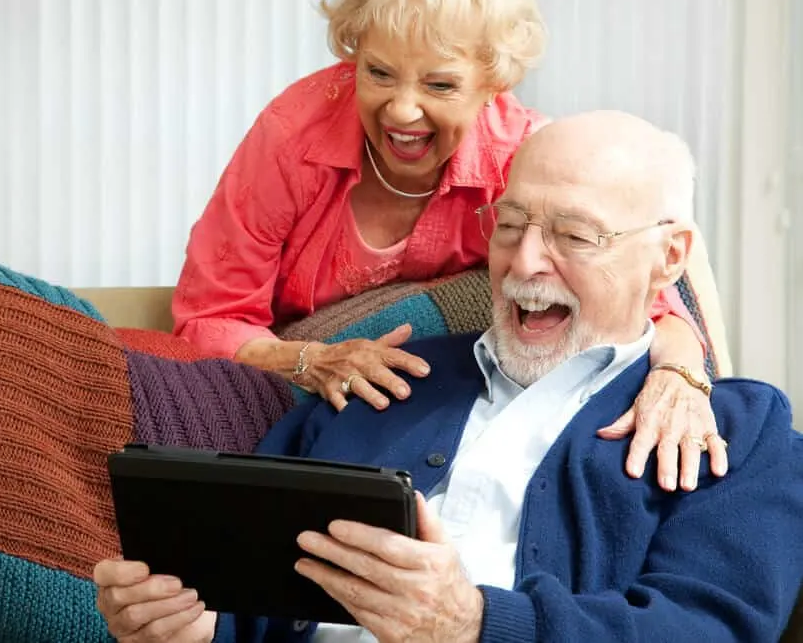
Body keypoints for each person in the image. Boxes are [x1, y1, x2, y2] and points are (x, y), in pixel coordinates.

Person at [95, 111, 803, 642]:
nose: (524, 262)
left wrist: (476, 623)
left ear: (668, 256)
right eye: (510, 224)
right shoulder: (386, 380)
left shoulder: (737, 431)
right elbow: (250, 592)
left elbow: (709, 628)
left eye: (573, 236)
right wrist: (191, 625)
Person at [171, 0, 725, 490]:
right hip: (306, 390)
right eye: (378, 72)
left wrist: (682, 375)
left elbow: (650, 302)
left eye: (439, 84)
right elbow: (207, 319)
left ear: (493, 84)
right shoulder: (293, 137)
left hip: (438, 402)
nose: (402, 109)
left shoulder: (524, 155)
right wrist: (313, 359)